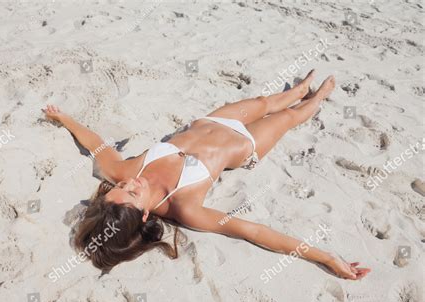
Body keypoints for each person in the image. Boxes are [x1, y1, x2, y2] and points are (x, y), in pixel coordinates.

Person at [43, 70, 371, 280]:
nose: (131, 183)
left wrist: (64, 119)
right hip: (245, 146)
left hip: (212, 121)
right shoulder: (184, 207)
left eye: (120, 187)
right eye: (131, 192)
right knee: (289, 115)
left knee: (267, 100)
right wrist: (326, 257)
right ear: (144, 213)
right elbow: (253, 231)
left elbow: (96, 144)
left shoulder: (124, 172)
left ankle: (299, 88)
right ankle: (319, 96)